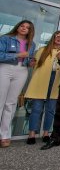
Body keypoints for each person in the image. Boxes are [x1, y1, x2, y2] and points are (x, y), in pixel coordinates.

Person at [25, 31, 60, 145]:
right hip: (42, 81)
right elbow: (33, 64)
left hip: (56, 83)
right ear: (53, 37)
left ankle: (46, 133)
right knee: (36, 109)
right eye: (57, 36)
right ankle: (32, 134)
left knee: (50, 110)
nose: (59, 39)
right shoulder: (42, 50)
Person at [0, 20, 36, 148]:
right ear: (18, 27)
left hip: (22, 70)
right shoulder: (6, 38)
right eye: (22, 26)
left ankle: (4, 135)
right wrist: (17, 54)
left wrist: (30, 63)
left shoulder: (32, 44)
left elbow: (28, 59)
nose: (24, 28)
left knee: (11, 103)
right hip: (5, 68)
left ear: (30, 31)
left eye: (27, 27)